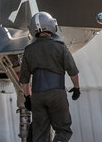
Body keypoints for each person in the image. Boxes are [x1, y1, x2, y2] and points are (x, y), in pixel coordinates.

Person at [20, 12, 80, 142]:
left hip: (37, 95)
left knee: (39, 134)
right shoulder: (60, 47)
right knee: (63, 130)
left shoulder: (29, 50)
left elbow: (24, 80)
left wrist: (28, 98)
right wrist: (76, 88)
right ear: (52, 26)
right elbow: (73, 72)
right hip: (57, 94)